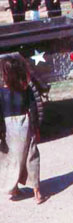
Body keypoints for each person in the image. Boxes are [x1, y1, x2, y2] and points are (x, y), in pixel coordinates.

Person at [0, 56, 46, 204]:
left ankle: (13, 188)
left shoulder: (1, 91)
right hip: (25, 124)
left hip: (9, 128)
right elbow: (33, 108)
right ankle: (37, 192)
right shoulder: (26, 88)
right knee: (31, 155)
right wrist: (36, 127)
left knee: (11, 158)